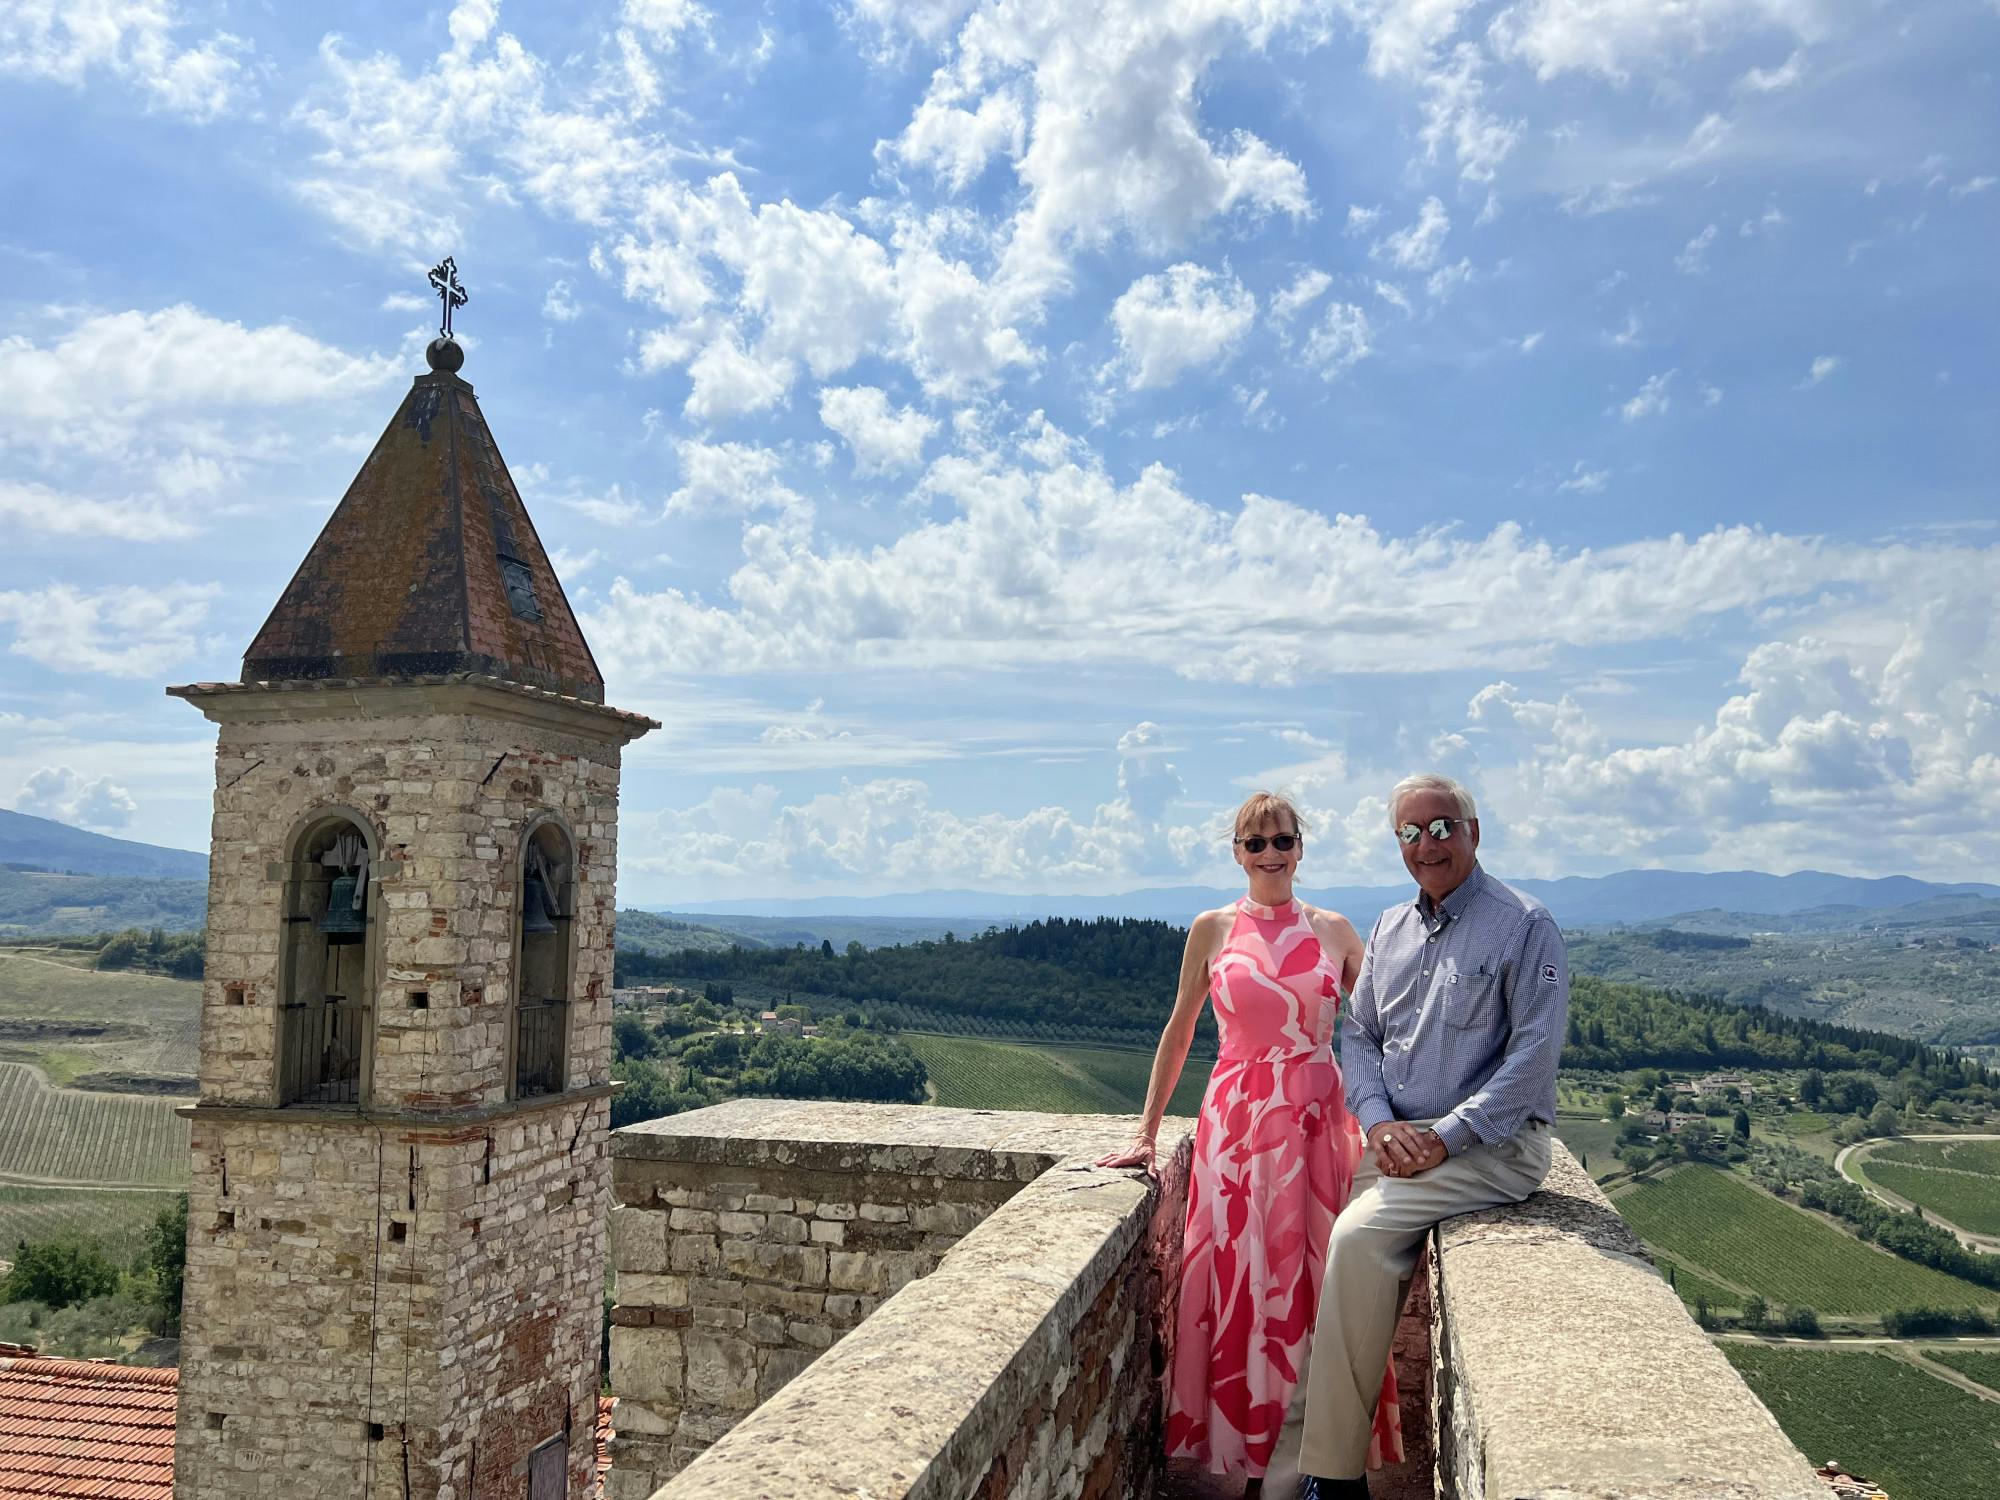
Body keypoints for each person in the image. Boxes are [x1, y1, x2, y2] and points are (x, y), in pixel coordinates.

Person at [1097, 791, 1402, 1493]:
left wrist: (1412, 1117)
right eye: (1255, 843)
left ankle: (1302, 1466)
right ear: (1237, 853)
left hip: (1320, 1127)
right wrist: (1145, 1133)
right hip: (1235, 1130)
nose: (1270, 854)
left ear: (1301, 848)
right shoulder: (1211, 928)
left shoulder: (1334, 930)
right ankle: (1245, 1462)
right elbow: (1179, 1032)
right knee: (1242, 1289)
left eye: (1282, 841)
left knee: (1317, 1292)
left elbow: (1384, 1029)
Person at [1295, 773, 1569, 1499]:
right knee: (1309, 1248)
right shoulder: (1390, 928)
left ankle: (1332, 1479)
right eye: (1411, 833)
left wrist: (1446, 1137)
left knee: (1355, 1241)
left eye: (1442, 827)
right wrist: (1380, 1123)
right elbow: (1359, 1037)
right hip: (1401, 1140)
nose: (1428, 844)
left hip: (1491, 1148)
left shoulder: (1524, 924)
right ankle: (1290, 1454)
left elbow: (1533, 1060)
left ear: (1474, 831)